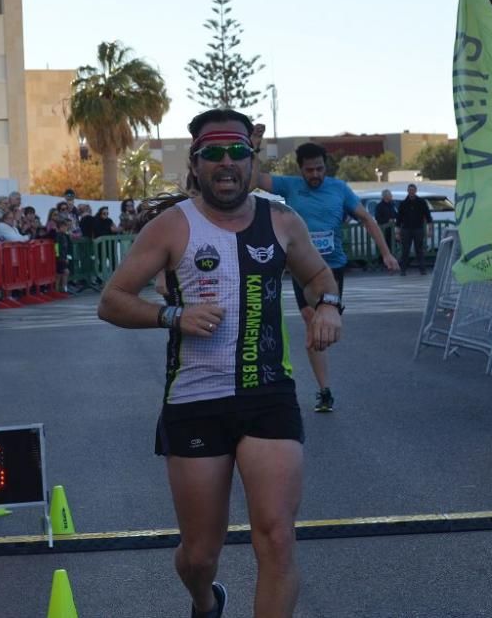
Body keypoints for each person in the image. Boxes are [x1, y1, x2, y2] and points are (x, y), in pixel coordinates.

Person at [98, 109, 342, 618]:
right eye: (213, 154)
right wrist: (172, 315)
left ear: (252, 159)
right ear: (196, 163)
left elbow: (320, 277)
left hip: (268, 394)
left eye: (236, 152)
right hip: (195, 399)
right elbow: (112, 300)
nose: (226, 163)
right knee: (199, 555)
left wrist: (328, 307)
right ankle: (206, 601)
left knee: (276, 539)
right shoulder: (170, 227)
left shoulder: (281, 221)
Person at [250, 135, 398, 412]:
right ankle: (324, 390)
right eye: (309, 170)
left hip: (332, 268)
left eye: (320, 169)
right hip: (302, 267)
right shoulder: (290, 186)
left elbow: (366, 219)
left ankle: (322, 374)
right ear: (300, 169)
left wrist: (386, 253)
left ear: (325, 167)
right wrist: (253, 145)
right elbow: (254, 178)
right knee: (311, 321)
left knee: (323, 327)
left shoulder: (339, 189)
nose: (315, 175)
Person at [395, 184, 433, 275]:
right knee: (405, 250)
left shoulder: (421, 202)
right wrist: (397, 231)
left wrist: (430, 229)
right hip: (406, 229)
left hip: (418, 228)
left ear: (415, 191)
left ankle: (422, 270)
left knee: (419, 250)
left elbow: (428, 216)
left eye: (413, 190)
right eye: (410, 190)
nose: (411, 192)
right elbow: (399, 218)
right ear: (407, 191)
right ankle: (403, 270)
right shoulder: (403, 203)